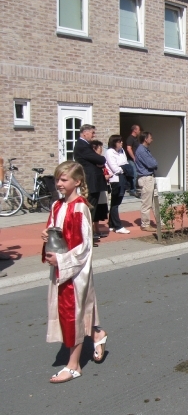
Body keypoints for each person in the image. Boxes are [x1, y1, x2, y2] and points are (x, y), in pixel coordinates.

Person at [41, 161, 108, 383]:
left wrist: (62, 260)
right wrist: (47, 238)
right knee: (68, 312)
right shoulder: (56, 206)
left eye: (63, 179)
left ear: (77, 182)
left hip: (75, 270)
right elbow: (55, 233)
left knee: (74, 313)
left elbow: (84, 246)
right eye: (57, 179)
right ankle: (96, 334)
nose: (58, 183)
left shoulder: (80, 207)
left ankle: (74, 365)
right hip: (59, 267)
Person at [73, 124, 107, 242]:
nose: (94, 135)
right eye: (92, 133)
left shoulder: (85, 145)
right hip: (91, 180)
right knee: (90, 208)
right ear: (85, 132)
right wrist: (100, 159)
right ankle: (86, 236)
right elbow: (100, 159)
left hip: (94, 179)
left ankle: (88, 234)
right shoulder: (82, 145)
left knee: (92, 207)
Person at [105, 135, 131, 234]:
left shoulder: (122, 151)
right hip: (116, 179)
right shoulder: (109, 152)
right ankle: (118, 226)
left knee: (116, 202)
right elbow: (115, 168)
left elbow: (125, 162)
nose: (121, 143)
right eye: (119, 142)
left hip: (123, 177)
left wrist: (124, 168)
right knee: (116, 202)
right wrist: (123, 169)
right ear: (114, 142)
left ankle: (111, 223)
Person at [135, 131, 158, 232]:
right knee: (146, 203)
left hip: (150, 177)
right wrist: (154, 163)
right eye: (150, 138)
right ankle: (145, 224)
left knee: (155, 202)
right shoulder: (141, 151)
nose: (152, 139)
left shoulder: (146, 150)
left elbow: (154, 162)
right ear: (145, 139)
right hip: (145, 178)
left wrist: (154, 163)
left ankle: (160, 222)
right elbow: (151, 163)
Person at [90, 140, 110, 238]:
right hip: (95, 186)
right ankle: (93, 230)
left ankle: (97, 229)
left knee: (99, 209)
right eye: (99, 148)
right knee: (94, 208)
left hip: (101, 186)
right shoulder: (94, 160)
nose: (101, 150)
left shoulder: (99, 160)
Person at [125, 124, 140, 196]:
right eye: (138, 130)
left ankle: (132, 188)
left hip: (135, 159)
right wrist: (133, 157)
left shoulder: (136, 139)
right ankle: (132, 190)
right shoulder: (130, 138)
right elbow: (129, 148)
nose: (139, 131)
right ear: (135, 130)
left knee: (135, 174)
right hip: (131, 159)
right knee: (134, 174)